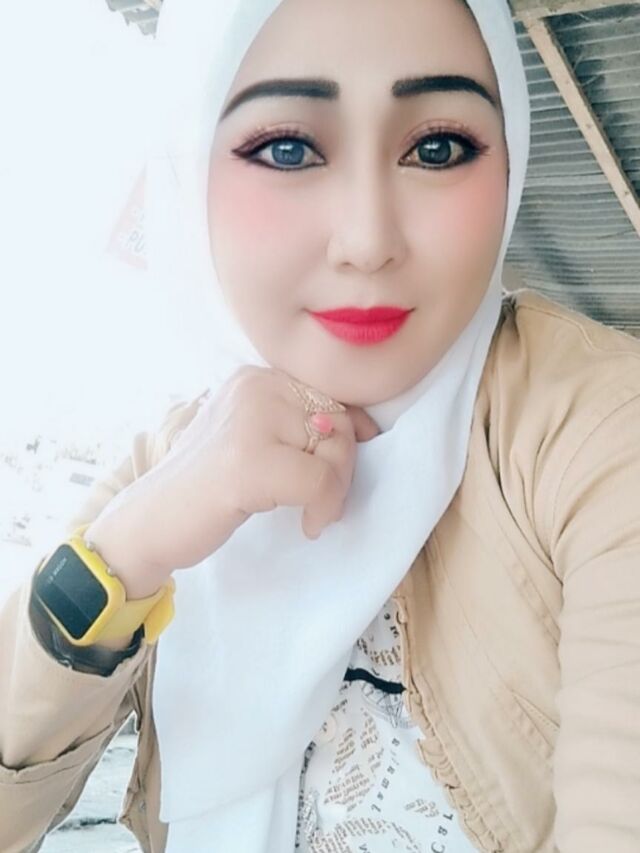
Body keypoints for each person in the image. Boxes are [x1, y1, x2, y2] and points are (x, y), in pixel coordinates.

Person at [1, 0, 639, 851]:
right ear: (190, 168)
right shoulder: (178, 458)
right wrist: (125, 552)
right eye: (288, 149)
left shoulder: (598, 430)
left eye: (438, 148)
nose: (367, 241)